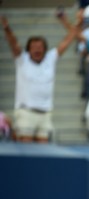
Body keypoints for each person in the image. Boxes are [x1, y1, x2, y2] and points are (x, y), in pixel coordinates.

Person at [0, 15, 80, 143]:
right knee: (26, 149)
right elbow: (13, 42)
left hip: (46, 114)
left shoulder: (51, 58)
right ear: (28, 50)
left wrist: (78, 22)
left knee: (43, 151)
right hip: (26, 112)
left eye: (40, 47)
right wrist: (6, 27)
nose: (37, 50)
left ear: (45, 49)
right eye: (34, 47)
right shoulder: (22, 59)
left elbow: (68, 40)